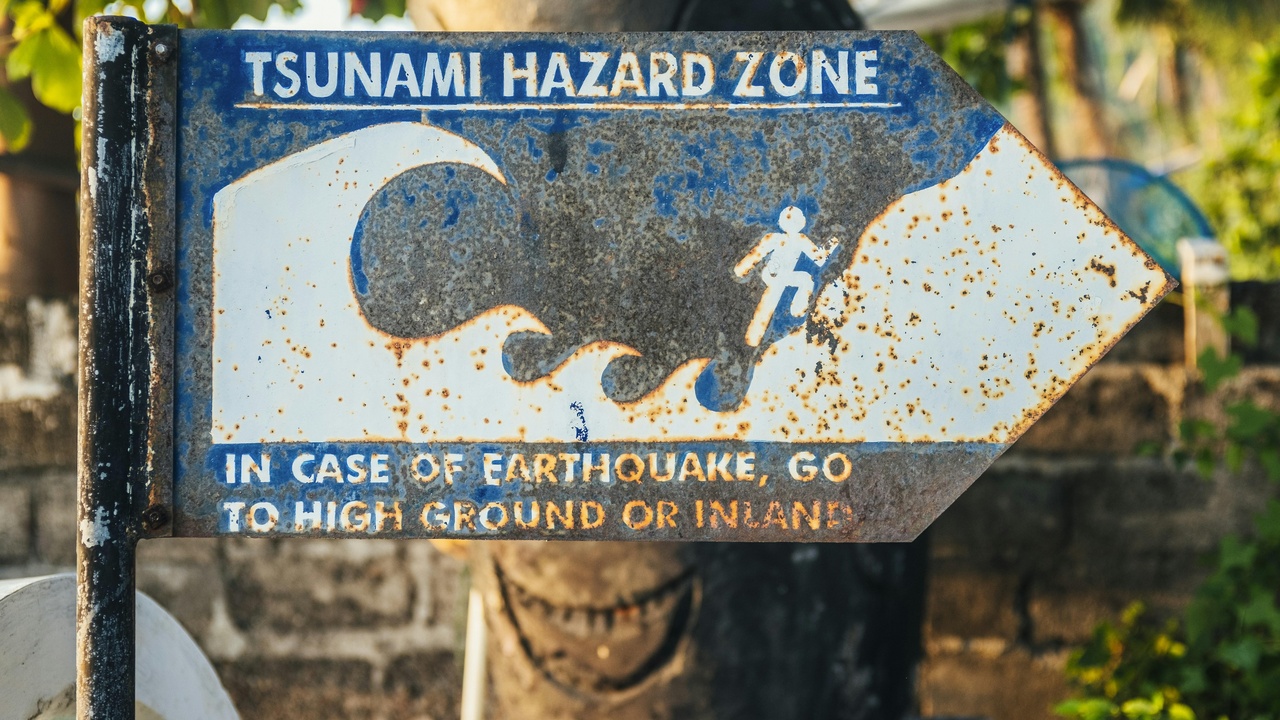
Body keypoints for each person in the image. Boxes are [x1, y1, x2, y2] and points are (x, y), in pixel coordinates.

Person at [733, 206, 840, 347]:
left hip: (781, 275)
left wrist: (742, 268)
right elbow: (759, 251)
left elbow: (818, 259)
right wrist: (742, 268)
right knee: (792, 285)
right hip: (775, 274)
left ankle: (797, 309)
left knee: (798, 282)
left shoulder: (793, 239)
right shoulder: (784, 238)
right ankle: (796, 309)